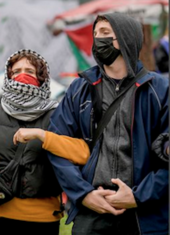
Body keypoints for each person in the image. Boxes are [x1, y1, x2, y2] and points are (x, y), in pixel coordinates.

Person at [47, 13, 169, 235]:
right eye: (95, 35)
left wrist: (138, 195)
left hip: (145, 215)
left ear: (126, 38)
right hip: (92, 213)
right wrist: (83, 194)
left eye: (105, 34)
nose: (98, 40)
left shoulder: (160, 90)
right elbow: (57, 146)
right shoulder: (79, 89)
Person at [0, 49, 90, 235]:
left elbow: (82, 153)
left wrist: (43, 135)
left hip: (43, 218)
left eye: (30, 71)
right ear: (8, 77)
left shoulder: (58, 115)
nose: (22, 76)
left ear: (41, 78)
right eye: (16, 72)